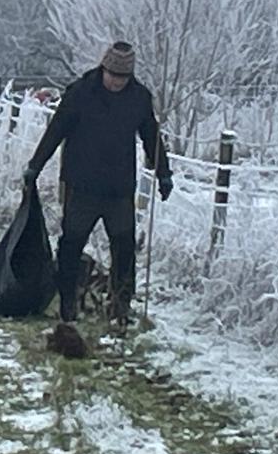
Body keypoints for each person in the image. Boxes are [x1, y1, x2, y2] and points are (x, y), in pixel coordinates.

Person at [22, 41, 172, 325]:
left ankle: (120, 307)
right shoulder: (81, 93)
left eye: (122, 78)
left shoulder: (139, 98)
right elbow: (56, 131)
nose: (116, 83)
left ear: (129, 78)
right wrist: (34, 166)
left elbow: (151, 136)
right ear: (103, 69)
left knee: (124, 249)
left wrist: (164, 173)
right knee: (71, 244)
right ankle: (67, 304)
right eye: (112, 76)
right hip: (82, 186)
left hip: (119, 190)